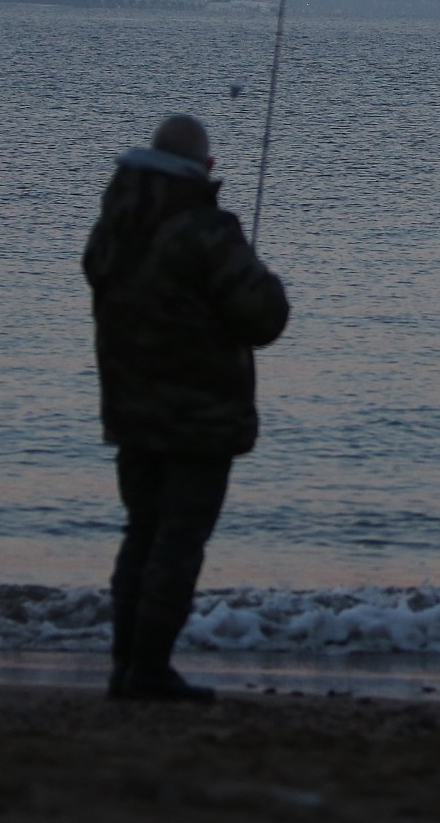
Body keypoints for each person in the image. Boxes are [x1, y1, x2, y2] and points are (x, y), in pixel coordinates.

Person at [82, 114, 289, 702]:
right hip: (199, 417)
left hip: (130, 409)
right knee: (178, 539)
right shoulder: (206, 230)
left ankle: (126, 665)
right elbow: (264, 318)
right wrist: (265, 277)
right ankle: (148, 668)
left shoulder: (114, 226)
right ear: (205, 168)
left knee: (142, 532)